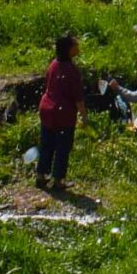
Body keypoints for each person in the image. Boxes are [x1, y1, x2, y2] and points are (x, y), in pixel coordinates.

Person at [34, 32, 84, 189]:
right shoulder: (71, 70)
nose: (78, 46)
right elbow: (78, 97)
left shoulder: (53, 64)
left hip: (47, 109)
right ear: (69, 49)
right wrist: (84, 116)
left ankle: (41, 176)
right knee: (63, 147)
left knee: (46, 144)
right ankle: (58, 180)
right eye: (75, 44)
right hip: (63, 113)